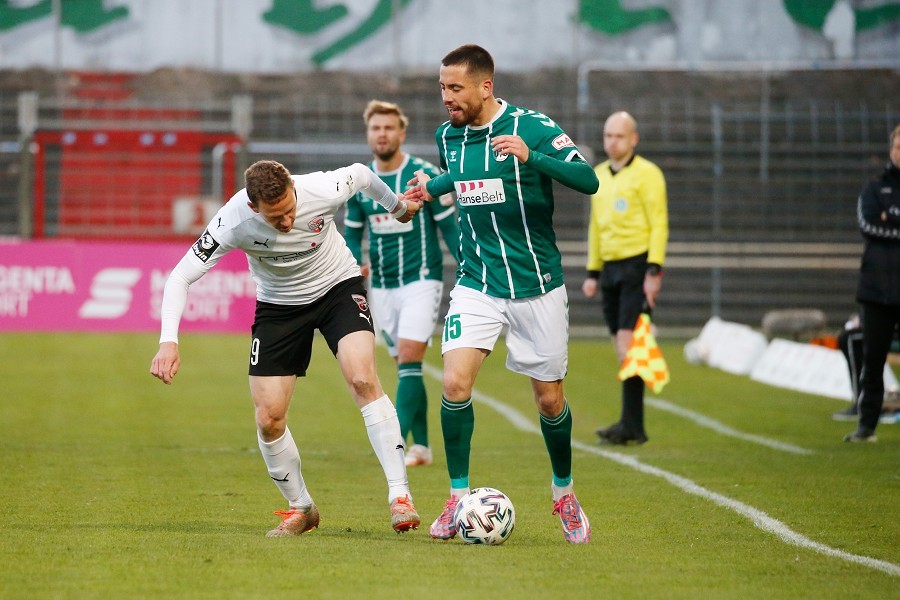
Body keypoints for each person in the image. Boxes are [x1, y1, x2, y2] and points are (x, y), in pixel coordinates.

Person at [150, 159, 423, 536]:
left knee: (362, 379)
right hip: (279, 307)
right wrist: (168, 341)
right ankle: (302, 508)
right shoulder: (233, 220)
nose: (287, 221)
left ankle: (400, 497)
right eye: (275, 216)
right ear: (253, 206)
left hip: (337, 288)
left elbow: (362, 174)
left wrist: (397, 206)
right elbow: (180, 276)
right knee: (268, 418)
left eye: (290, 210)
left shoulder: (321, 189)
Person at [405, 44, 599, 544]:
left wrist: (532, 156)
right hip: (477, 282)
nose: (446, 97)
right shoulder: (447, 135)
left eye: (455, 88)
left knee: (549, 400)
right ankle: (456, 498)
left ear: (485, 86)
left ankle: (564, 494)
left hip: (537, 284)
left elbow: (588, 180)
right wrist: (431, 188)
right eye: (442, 87)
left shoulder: (531, 126)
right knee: (454, 384)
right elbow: (464, 177)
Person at [344, 100, 460, 468]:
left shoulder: (423, 176)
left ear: (402, 132)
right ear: (368, 134)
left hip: (421, 280)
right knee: (407, 368)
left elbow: (450, 228)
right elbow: (351, 233)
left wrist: (468, 267)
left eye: (389, 127)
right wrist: (354, 264)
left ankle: (393, 445)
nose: (382, 134)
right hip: (381, 286)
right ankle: (421, 447)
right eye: (376, 128)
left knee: (410, 359)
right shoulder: (361, 182)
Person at [581, 111, 668, 446]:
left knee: (627, 344)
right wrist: (593, 271)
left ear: (634, 139)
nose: (612, 142)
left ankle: (631, 425)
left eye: (619, 136)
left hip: (636, 266)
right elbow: (596, 227)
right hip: (610, 270)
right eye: (608, 135)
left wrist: (654, 270)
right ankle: (632, 425)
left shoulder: (648, 174)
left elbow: (658, 222)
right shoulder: (599, 175)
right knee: (624, 348)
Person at [844, 123, 900, 443]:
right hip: (877, 289)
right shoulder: (874, 188)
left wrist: (890, 219)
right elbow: (868, 226)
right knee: (873, 360)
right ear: (891, 150)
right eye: (898, 147)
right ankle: (866, 426)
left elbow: (883, 226)